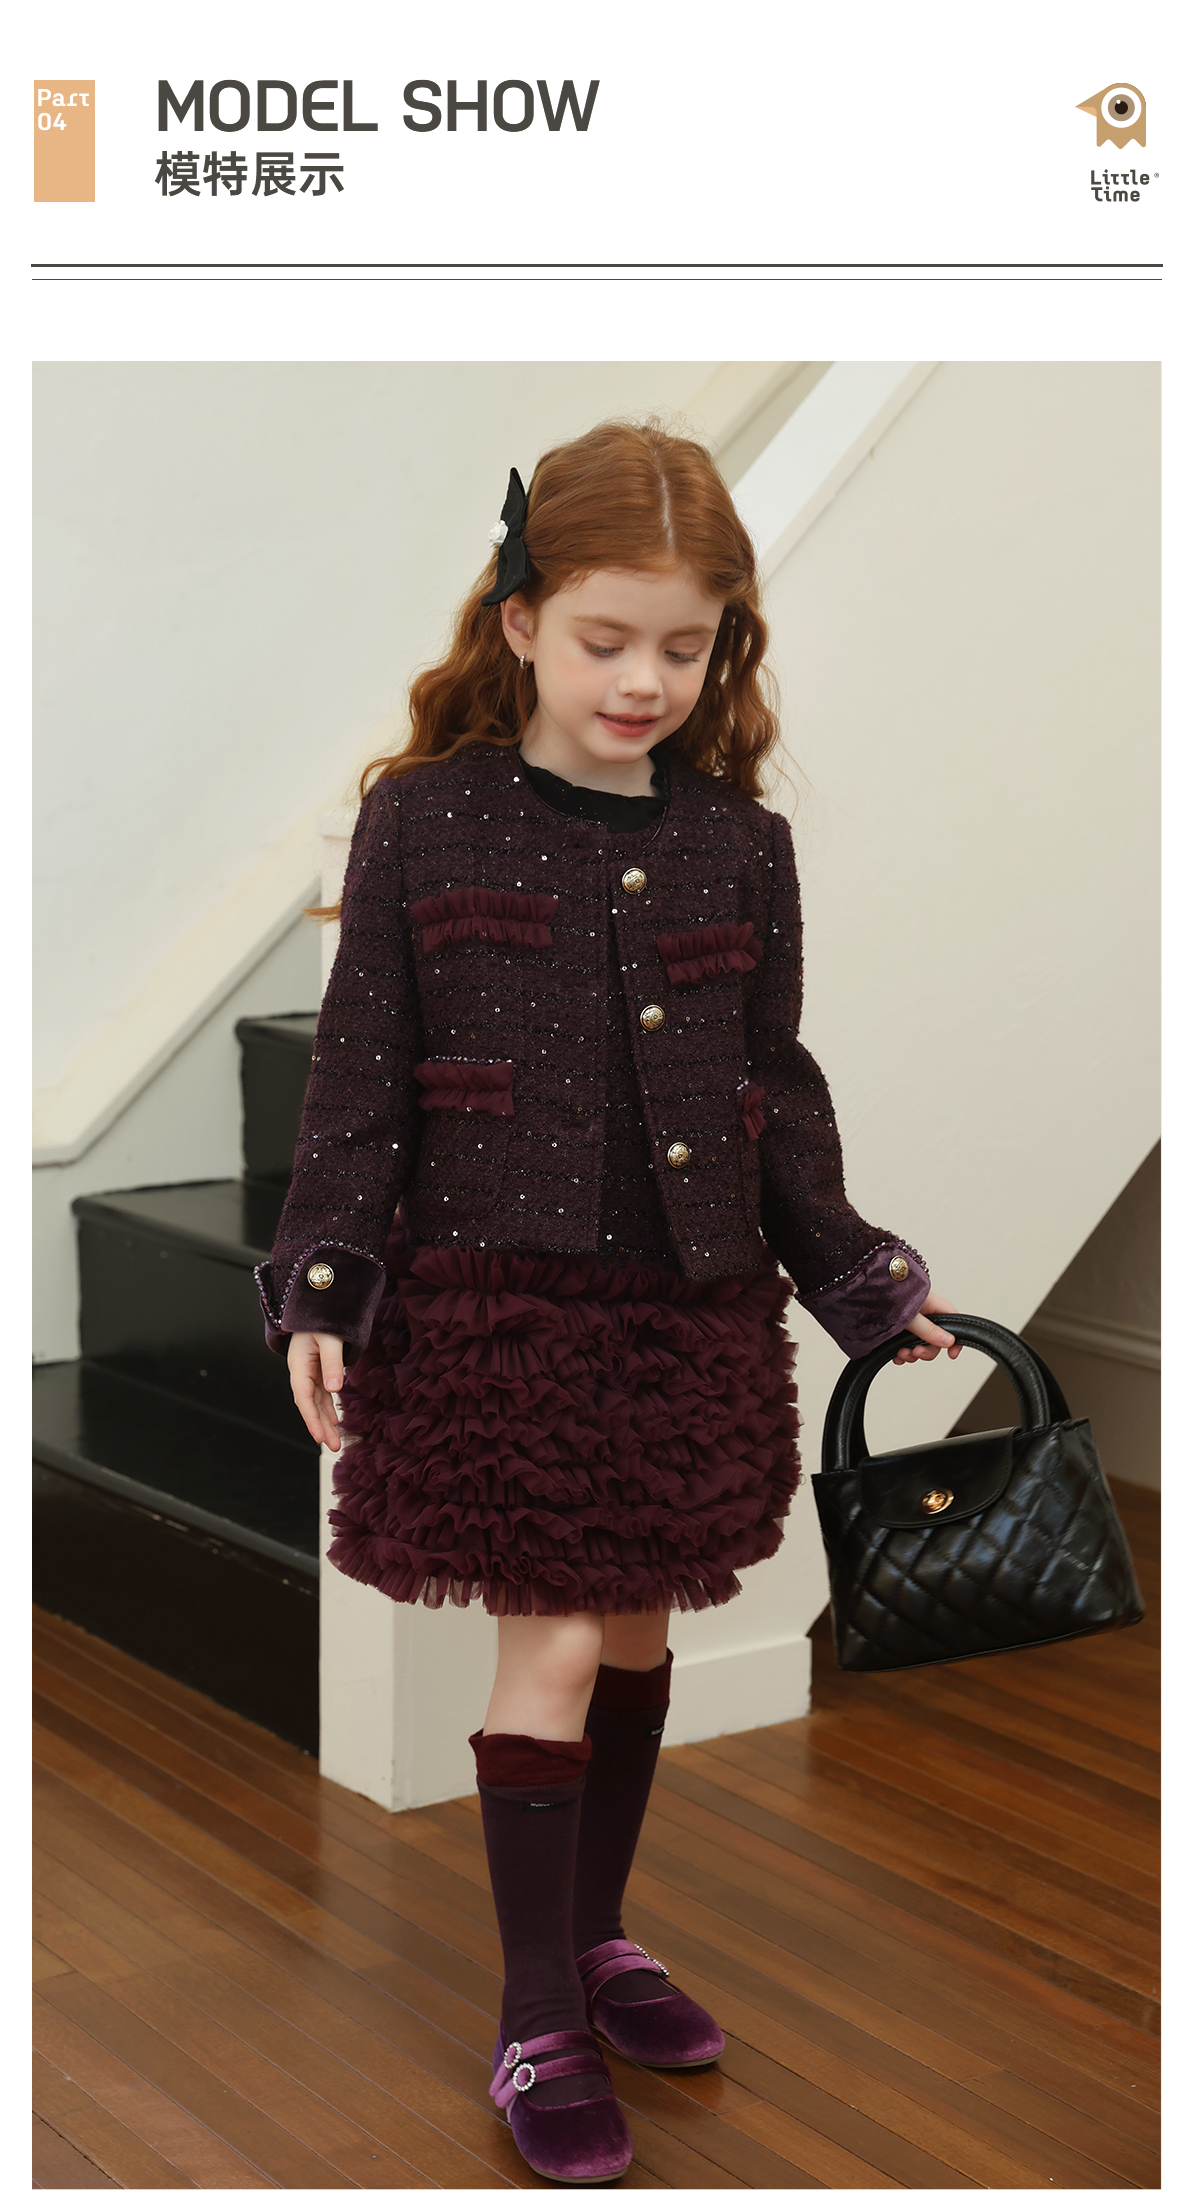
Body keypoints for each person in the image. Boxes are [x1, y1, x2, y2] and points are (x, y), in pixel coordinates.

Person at [255, 420, 959, 2185]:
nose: (644, 680)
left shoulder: (741, 848)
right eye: (604, 639)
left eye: (684, 646)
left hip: (689, 1317)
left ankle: (595, 1938)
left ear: (724, 646)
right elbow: (359, 1080)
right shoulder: (423, 819)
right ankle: (532, 2015)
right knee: (560, 1644)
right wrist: (323, 1283)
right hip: (499, 1317)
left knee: (640, 1638)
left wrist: (863, 1281)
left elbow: (774, 1093)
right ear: (521, 622)